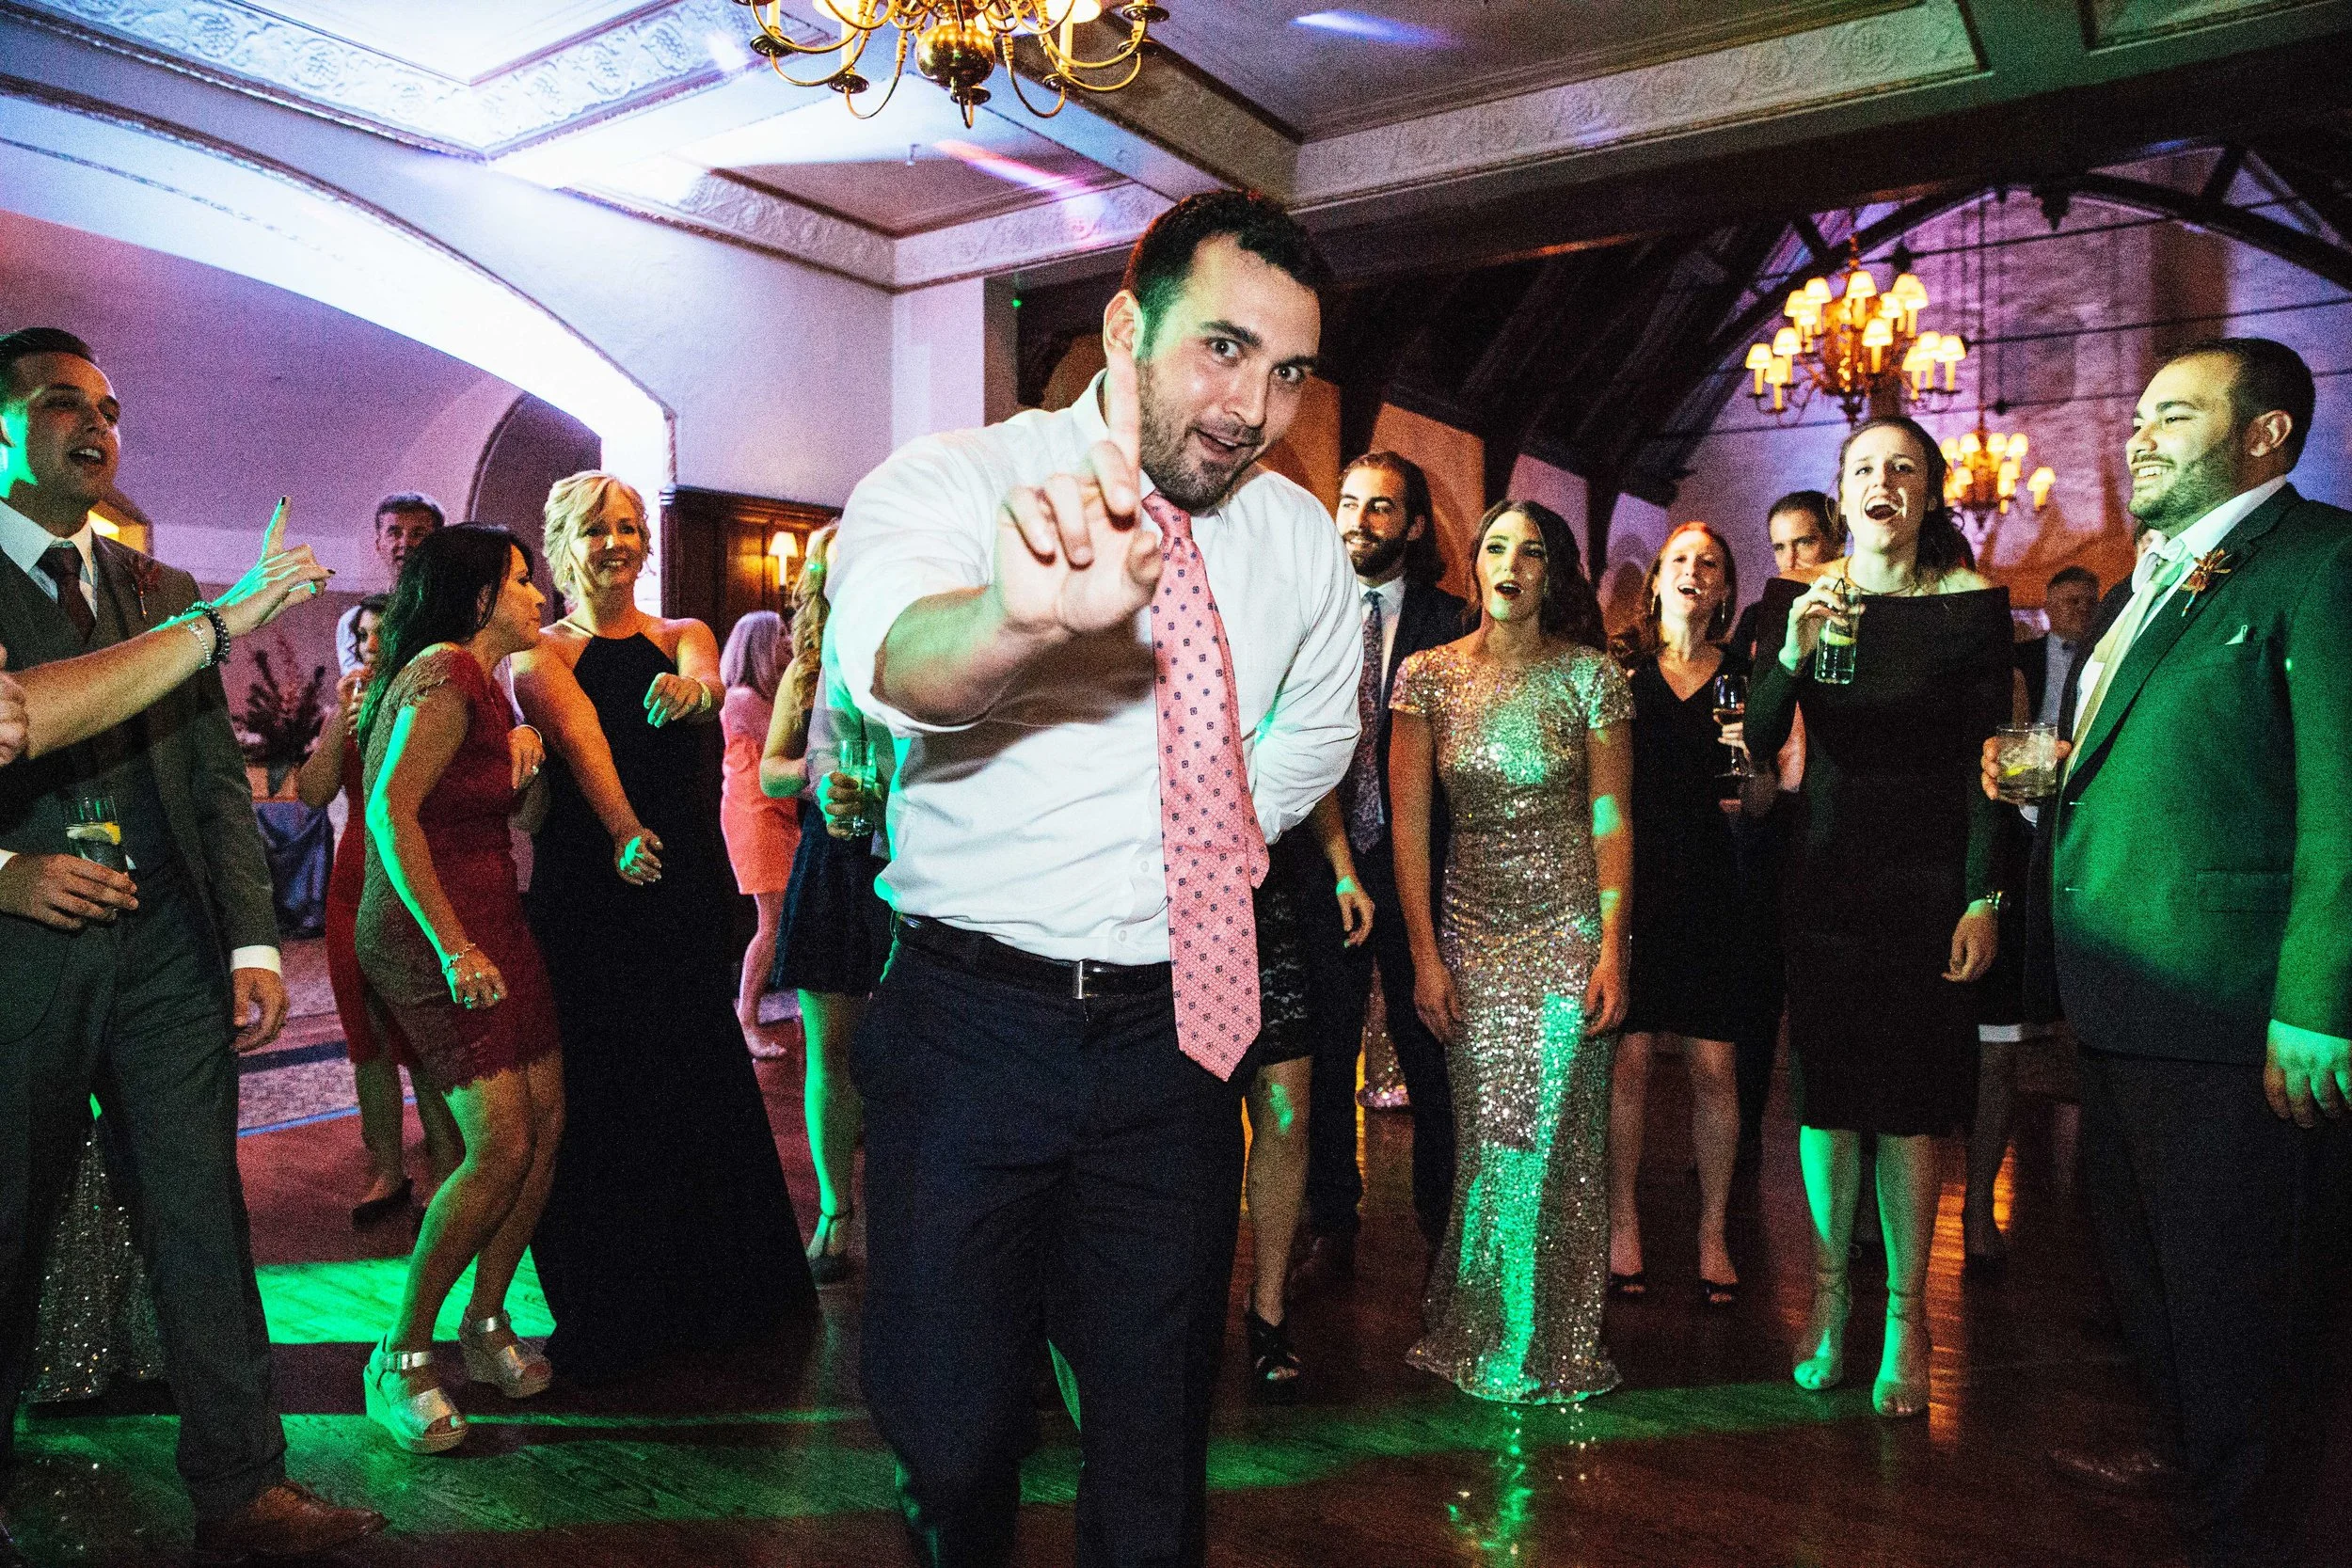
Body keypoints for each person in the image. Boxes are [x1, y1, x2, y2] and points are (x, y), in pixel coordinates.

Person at [827, 189, 1354, 1565]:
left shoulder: (1297, 539)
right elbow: (896, 662)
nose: (1253, 404)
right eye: (1223, 349)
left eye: (1288, 369)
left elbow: (1324, 718)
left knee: (1155, 1426)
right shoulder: (952, 481)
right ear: (1127, 325)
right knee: (948, 1429)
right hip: (968, 1025)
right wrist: (1013, 623)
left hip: (1177, 1030)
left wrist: (1227, 827)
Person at [0, 325, 381, 1556]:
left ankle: (245, 1481)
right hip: (22, 950)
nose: (94, 422)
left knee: (201, 1211)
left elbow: (215, 777)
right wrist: (6, 874)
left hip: (165, 950)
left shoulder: (162, 594)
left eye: (109, 404)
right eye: (62, 401)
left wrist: (251, 946)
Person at [1984, 340, 2350, 1565]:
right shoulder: (2156, 579)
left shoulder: (2324, 561)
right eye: (2136, 416)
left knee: (2234, 1286)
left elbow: (2346, 802)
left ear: (2266, 436)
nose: (2137, 434)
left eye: (2173, 415)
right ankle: (2189, 1446)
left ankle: (2251, 1524)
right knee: (2144, 1271)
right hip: (2122, 994)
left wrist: (2318, 999)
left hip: (2234, 999)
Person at [516, 471, 814, 1382]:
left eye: (632, 525)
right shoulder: (539, 653)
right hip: (587, 888)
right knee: (603, 1079)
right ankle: (614, 1292)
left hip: (679, 878)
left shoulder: (683, 633)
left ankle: (725, 1283)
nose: (618, 540)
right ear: (566, 540)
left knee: (693, 1067)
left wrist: (693, 695)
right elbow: (545, 762)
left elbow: (705, 678)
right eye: (600, 527)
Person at [1744, 416, 2011, 1419]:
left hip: (1925, 882)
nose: (1882, 481)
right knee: (1825, 1100)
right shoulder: (1795, 602)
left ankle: (1908, 1319)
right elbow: (1762, 740)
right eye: (1864, 466)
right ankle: (1828, 1303)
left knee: (1906, 1107)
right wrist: (1797, 651)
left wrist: (1984, 896)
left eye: (1903, 467)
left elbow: (1988, 767)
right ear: (1840, 489)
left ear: (1930, 492)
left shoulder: (1972, 609)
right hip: (1823, 878)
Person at [1391, 498, 1632, 1404]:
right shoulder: (1428, 677)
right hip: (1472, 928)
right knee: (1494, 1133)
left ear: (1553, 573)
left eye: (1532, 551)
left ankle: (1553, 1336)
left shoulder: (1592, 679)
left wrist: (1614, 947)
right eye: (1496, 546)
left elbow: (1614, 824)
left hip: (1571, 927)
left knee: (1558, 1133)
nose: (1511, 563)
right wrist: (1424, 952)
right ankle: (1483, 1325)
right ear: (1477, 565)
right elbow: (1411, 828)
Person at [356, 526, 566, 1452]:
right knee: (497, 1144)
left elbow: (511, 816)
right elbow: (388, 810)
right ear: (479, 597)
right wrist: (448, 943)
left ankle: (485, 1324)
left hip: (494, 915)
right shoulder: (443, 670)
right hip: (431, 930)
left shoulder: (484, 686)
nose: (537, 595)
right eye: (523, 581)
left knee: (545, 1126)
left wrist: (525, 761)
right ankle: (400, 1357)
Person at [1296, 451, 1469, 1291]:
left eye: (1379, 508)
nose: (1357, 520)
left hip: (1423, 871)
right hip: (1323, 862)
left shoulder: (1454, 623)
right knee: (1323, 1054)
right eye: (1349, 503)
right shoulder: (1310, 610)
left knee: (1430, 1052)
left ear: (1414, 524)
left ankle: (1443, 1232)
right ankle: (1331, 1219)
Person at [1607, 520, 1747, 1307]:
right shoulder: (1618, 672)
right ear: (1657, 580)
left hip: (1712, 884)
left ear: (1725, 589)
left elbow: (1752, 800)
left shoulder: (1741, 679)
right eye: (1682, 559)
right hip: (1631, 882)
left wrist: (1757, 776)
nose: (1696, 571)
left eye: (1712, 563)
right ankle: (1623, 1221)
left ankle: (1713, 1229)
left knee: (1714, 1066)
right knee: (1627, 1062)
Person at [296, 594, 467, 1225]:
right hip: (353, 879)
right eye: (362, 634)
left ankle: (451, 1168)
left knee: (422, 1032)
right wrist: (336, 724)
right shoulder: (347, 709)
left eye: (383, 633)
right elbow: (312, 794)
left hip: (410, 879)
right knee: (364, 1035)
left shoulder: (430, 701)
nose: (372, 644)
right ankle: (387, 1171)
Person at [761, 531, 894, 1286]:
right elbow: (770, 771)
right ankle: (836, 1210)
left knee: (913, 1047)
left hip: (907, 860)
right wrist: (815, 775)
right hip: (835, 863)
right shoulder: (806, 670)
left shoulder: (909, 656)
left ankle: (908, 1207)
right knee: (830, 1049)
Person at [1239, 791, 1372, 1390]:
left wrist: (1343, 866)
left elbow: (1308, 764)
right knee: (1197, 1126)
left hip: (1273, 893)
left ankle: (1269, 1311)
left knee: (1286, 1112)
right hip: (1175, 898)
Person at [717, 606, 798, 1058]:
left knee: (786, 917)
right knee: (770, 924)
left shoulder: (759, 697)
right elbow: (785, 749)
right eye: (781, 638)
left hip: (775, 812)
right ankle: (746, 1020)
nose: (787, 643)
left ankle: (795, 1001)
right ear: (762, 646)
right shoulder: (743, 698)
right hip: (755, 814)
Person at [1727, 489, 1840, 665]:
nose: (1790, 560)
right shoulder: (1757, 615)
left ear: (1838, 543)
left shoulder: (1859, 608)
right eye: (1779, 547)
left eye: (1804, 542)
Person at [338, 493, 442, 675]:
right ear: (379, 544)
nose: (405, 543)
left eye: (418, 534)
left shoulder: (459, 614)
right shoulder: (355, 623)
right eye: (394, 533)